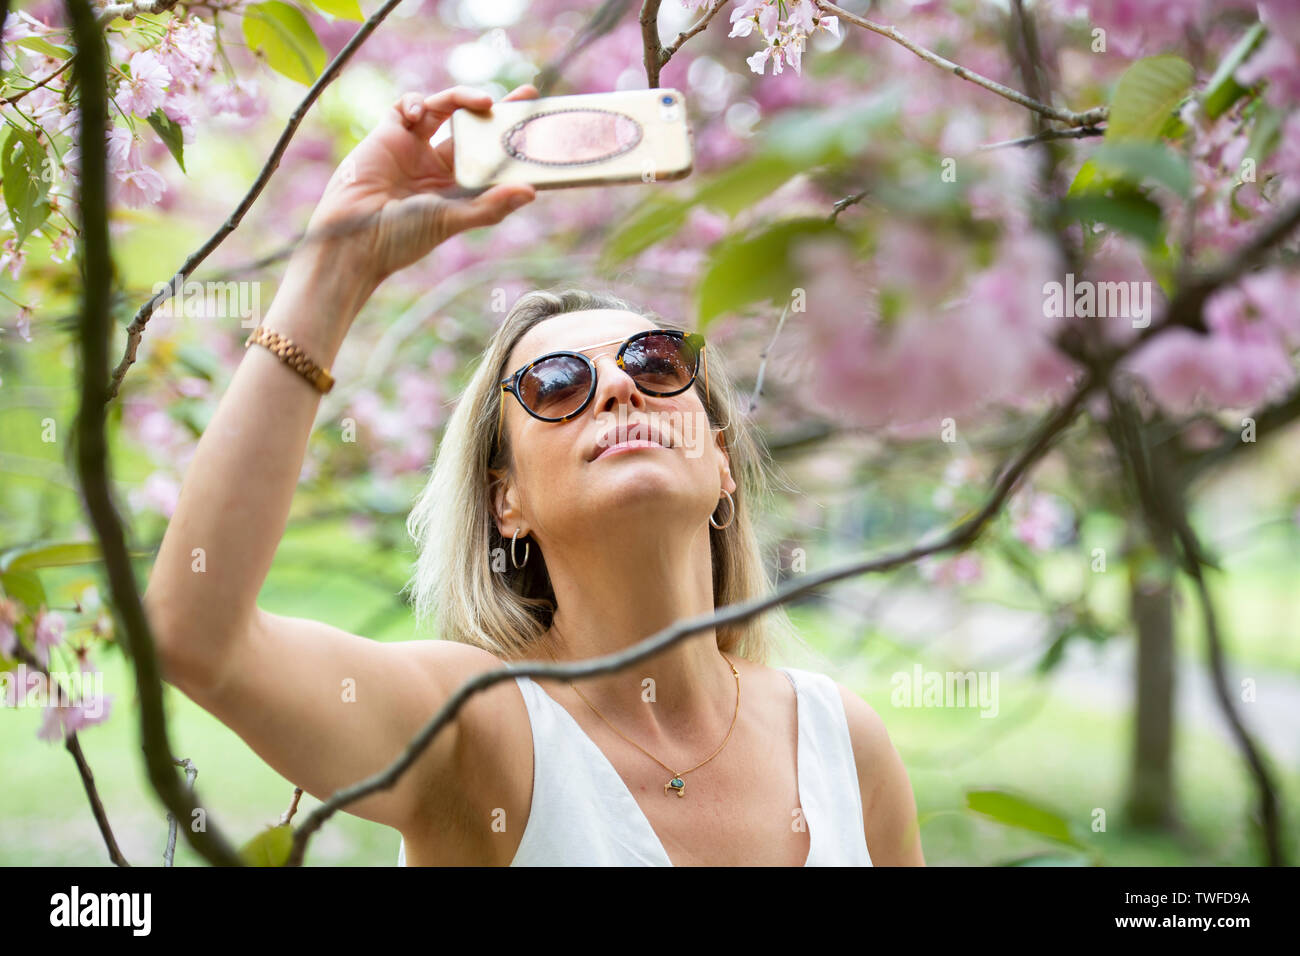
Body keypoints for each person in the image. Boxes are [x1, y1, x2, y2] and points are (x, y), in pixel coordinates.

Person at [144, 83, 925, 867]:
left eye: (656, 363)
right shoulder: (475, 726)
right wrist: (336, 264)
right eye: (556, 384)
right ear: (504, 500)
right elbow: (196, 638)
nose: (620, 388)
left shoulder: (842, 743)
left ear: (722, 460)